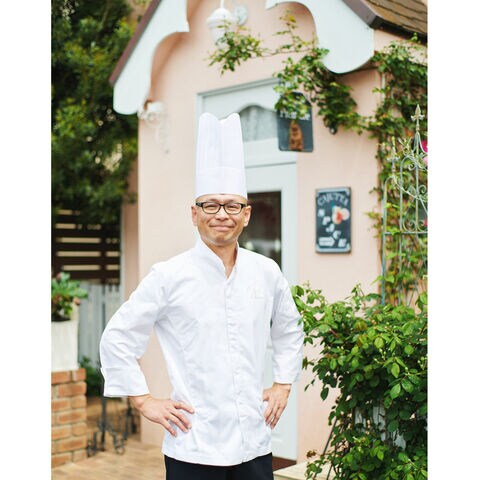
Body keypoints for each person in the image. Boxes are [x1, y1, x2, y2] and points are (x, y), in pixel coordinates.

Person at [99, 112, 304, 480]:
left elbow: (289, 329)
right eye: (210, 205)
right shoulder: (169, 276)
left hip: (254, 443)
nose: (221, 214)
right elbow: (117, 338)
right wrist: (144, 400)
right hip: (194, 445)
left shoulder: (266, 271)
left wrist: (283, 384)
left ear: (246, 214)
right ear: (194, 214)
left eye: (232, 205)